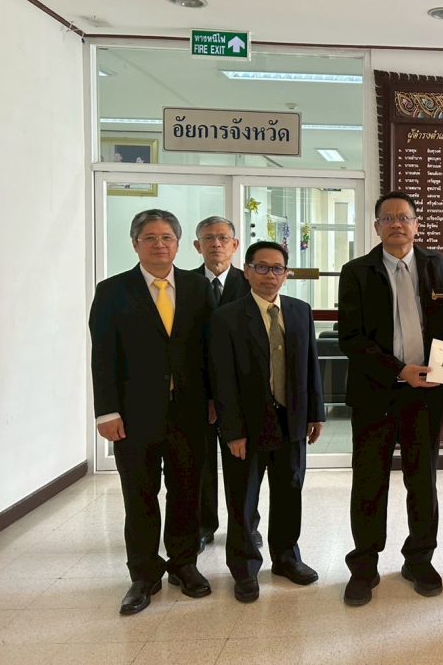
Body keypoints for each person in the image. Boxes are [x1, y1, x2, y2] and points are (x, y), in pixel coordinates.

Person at [89, 209, 215, 615]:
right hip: (134, 415)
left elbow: (210, 350)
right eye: (150, 238)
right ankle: (143, 575)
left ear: (178, 245)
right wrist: (106, 412)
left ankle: (183, 564)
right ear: (135, 244)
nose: (159, 244)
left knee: (186, 491)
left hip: (189, 412)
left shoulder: (198, 287)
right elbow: (103, 356)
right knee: (140, 495)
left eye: (167, 237)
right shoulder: (112, 291)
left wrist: (215, 400)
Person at [338, 191, 443, 606]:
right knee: (369, 481)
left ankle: (419, 559)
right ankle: (364, 565)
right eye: (387, 218)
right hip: (376, 394)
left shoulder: (436, 264)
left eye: (404, 217)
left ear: (416, 224)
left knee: (422, 480)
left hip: (426, 395)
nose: (396, 224)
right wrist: (398, 369)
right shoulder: (356, 272)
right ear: (377, 227)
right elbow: (351, 338)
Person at [209, 241, 325, 603]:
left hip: (292, 420)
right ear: (247, 271)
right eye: (261, 267)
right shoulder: (227, 317)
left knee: (290, 491)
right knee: (243, 498)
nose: (269, 275)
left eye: (277, 268)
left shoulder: (299, 311)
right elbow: (222, 379)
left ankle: (287, 558)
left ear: (286, 274)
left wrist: (316, 413)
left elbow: (311, 365)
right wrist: (232, 431)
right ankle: (244, 568)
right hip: (247, 425)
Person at [190, 216, 260, 554]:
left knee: (243, 466)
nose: (216, 244)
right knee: (201, 464)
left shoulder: (250, 283)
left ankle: (246, 526)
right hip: (197, 394)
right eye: (208, 238)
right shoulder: (185, 285)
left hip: (241, 394)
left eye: (222, 238)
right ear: (197, 246)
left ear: (235, 245)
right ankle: (203, 525)